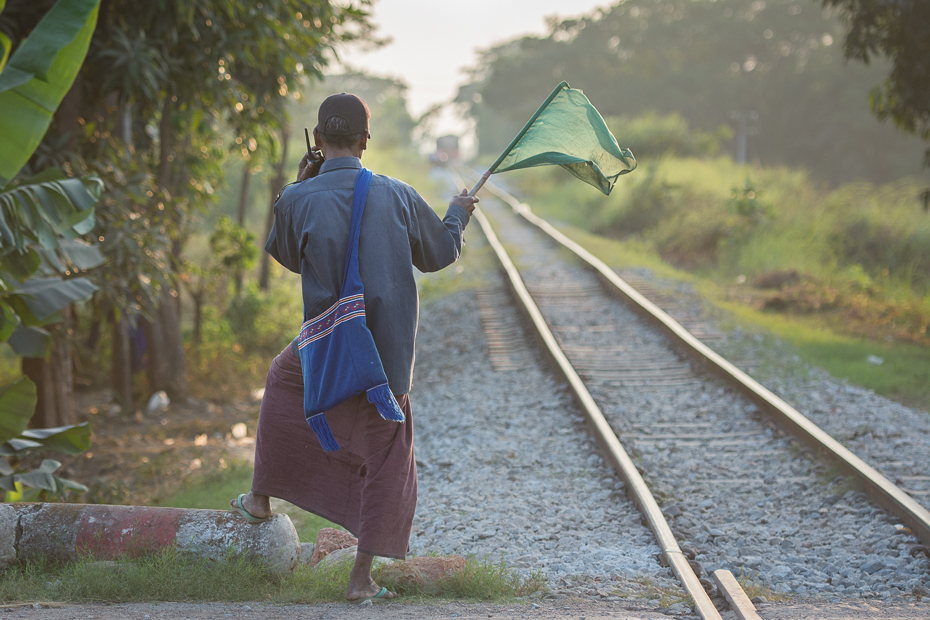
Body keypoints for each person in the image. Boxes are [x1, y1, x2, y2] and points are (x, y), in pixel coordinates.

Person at [231, 92, 478, 603]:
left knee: (281, 383)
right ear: (366, 140)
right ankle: (359, 579)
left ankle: (259, 498)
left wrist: (301, 184)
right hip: (384, 355)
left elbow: (285, 254)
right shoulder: (399, 194)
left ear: (317, 140)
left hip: (324, 345)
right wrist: (456, 213)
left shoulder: (297, 199)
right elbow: (438, 254)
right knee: (387, 454)